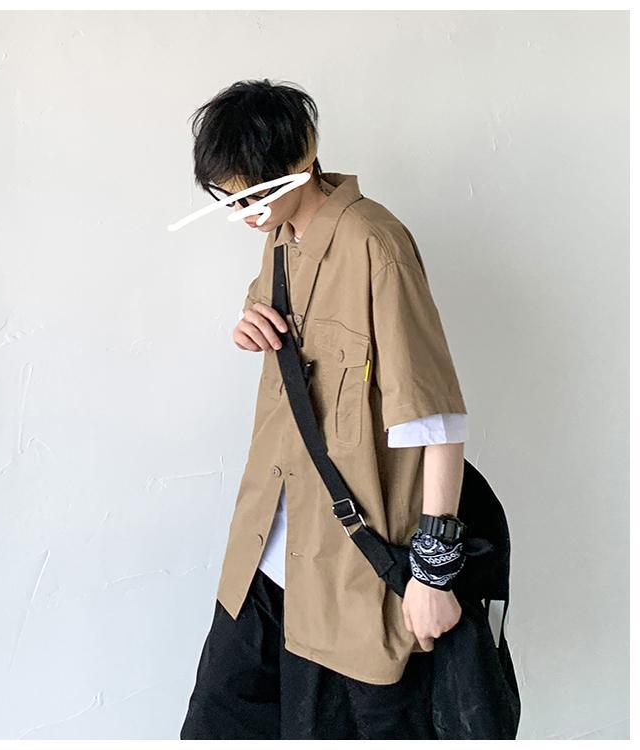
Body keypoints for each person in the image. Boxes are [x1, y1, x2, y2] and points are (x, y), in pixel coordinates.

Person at [180, 79, 470, 740]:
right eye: (227, 199)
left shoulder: (376, 244)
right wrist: (248, 323)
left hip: (348, 575)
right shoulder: (280, 238)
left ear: (302, 159)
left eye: (252, 195)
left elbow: (439, 419)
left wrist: (433, 575)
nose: (244, 214)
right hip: (263, 555)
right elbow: (279, 329)